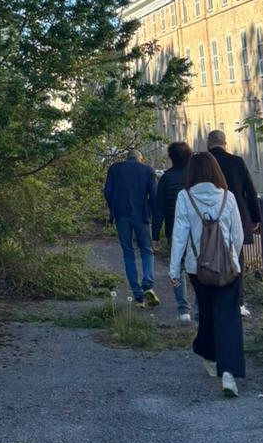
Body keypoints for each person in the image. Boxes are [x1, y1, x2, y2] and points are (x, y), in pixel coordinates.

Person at [168, 152, 246, 397]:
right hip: (229, 268)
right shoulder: (227, 197)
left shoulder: (185, 197)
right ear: (215, 171)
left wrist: (175, 269)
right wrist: (232, 258)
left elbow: (179, 236)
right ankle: (229, 372)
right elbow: (238, 235)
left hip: (198, 268)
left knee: (208, 312)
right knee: (229, 316)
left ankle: (210, 356)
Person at [207, 130, 260, 318]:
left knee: (211, 257)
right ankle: (238, 302)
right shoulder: (237, 162)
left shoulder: (204, 163)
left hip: (211, 217)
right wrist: (255, 218)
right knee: (237, 259)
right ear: (225, 143)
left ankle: (215, 300)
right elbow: (250, 191)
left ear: (209, 143)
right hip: (237, 215)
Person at [103, 149, 160, 307]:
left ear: (127, 158)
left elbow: (107, 191)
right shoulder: (148, 170)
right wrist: (151, 213)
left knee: (128, 254)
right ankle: (148, 284)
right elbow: (154, 195)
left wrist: (113, 209)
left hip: (121, 215)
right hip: (141, 216)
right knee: (147, 251)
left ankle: (138, 295)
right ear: (140, 159)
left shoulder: (115, 168)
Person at [152, 141, 193, 323]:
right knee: (198, 268)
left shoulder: (166, 178)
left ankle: (184, 309)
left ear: (171, 157)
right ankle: (200, 306)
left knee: (178, 268)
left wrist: (155, 236)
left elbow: (158, 210)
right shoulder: (196, 176)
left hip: (174, 230)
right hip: (197, 230)